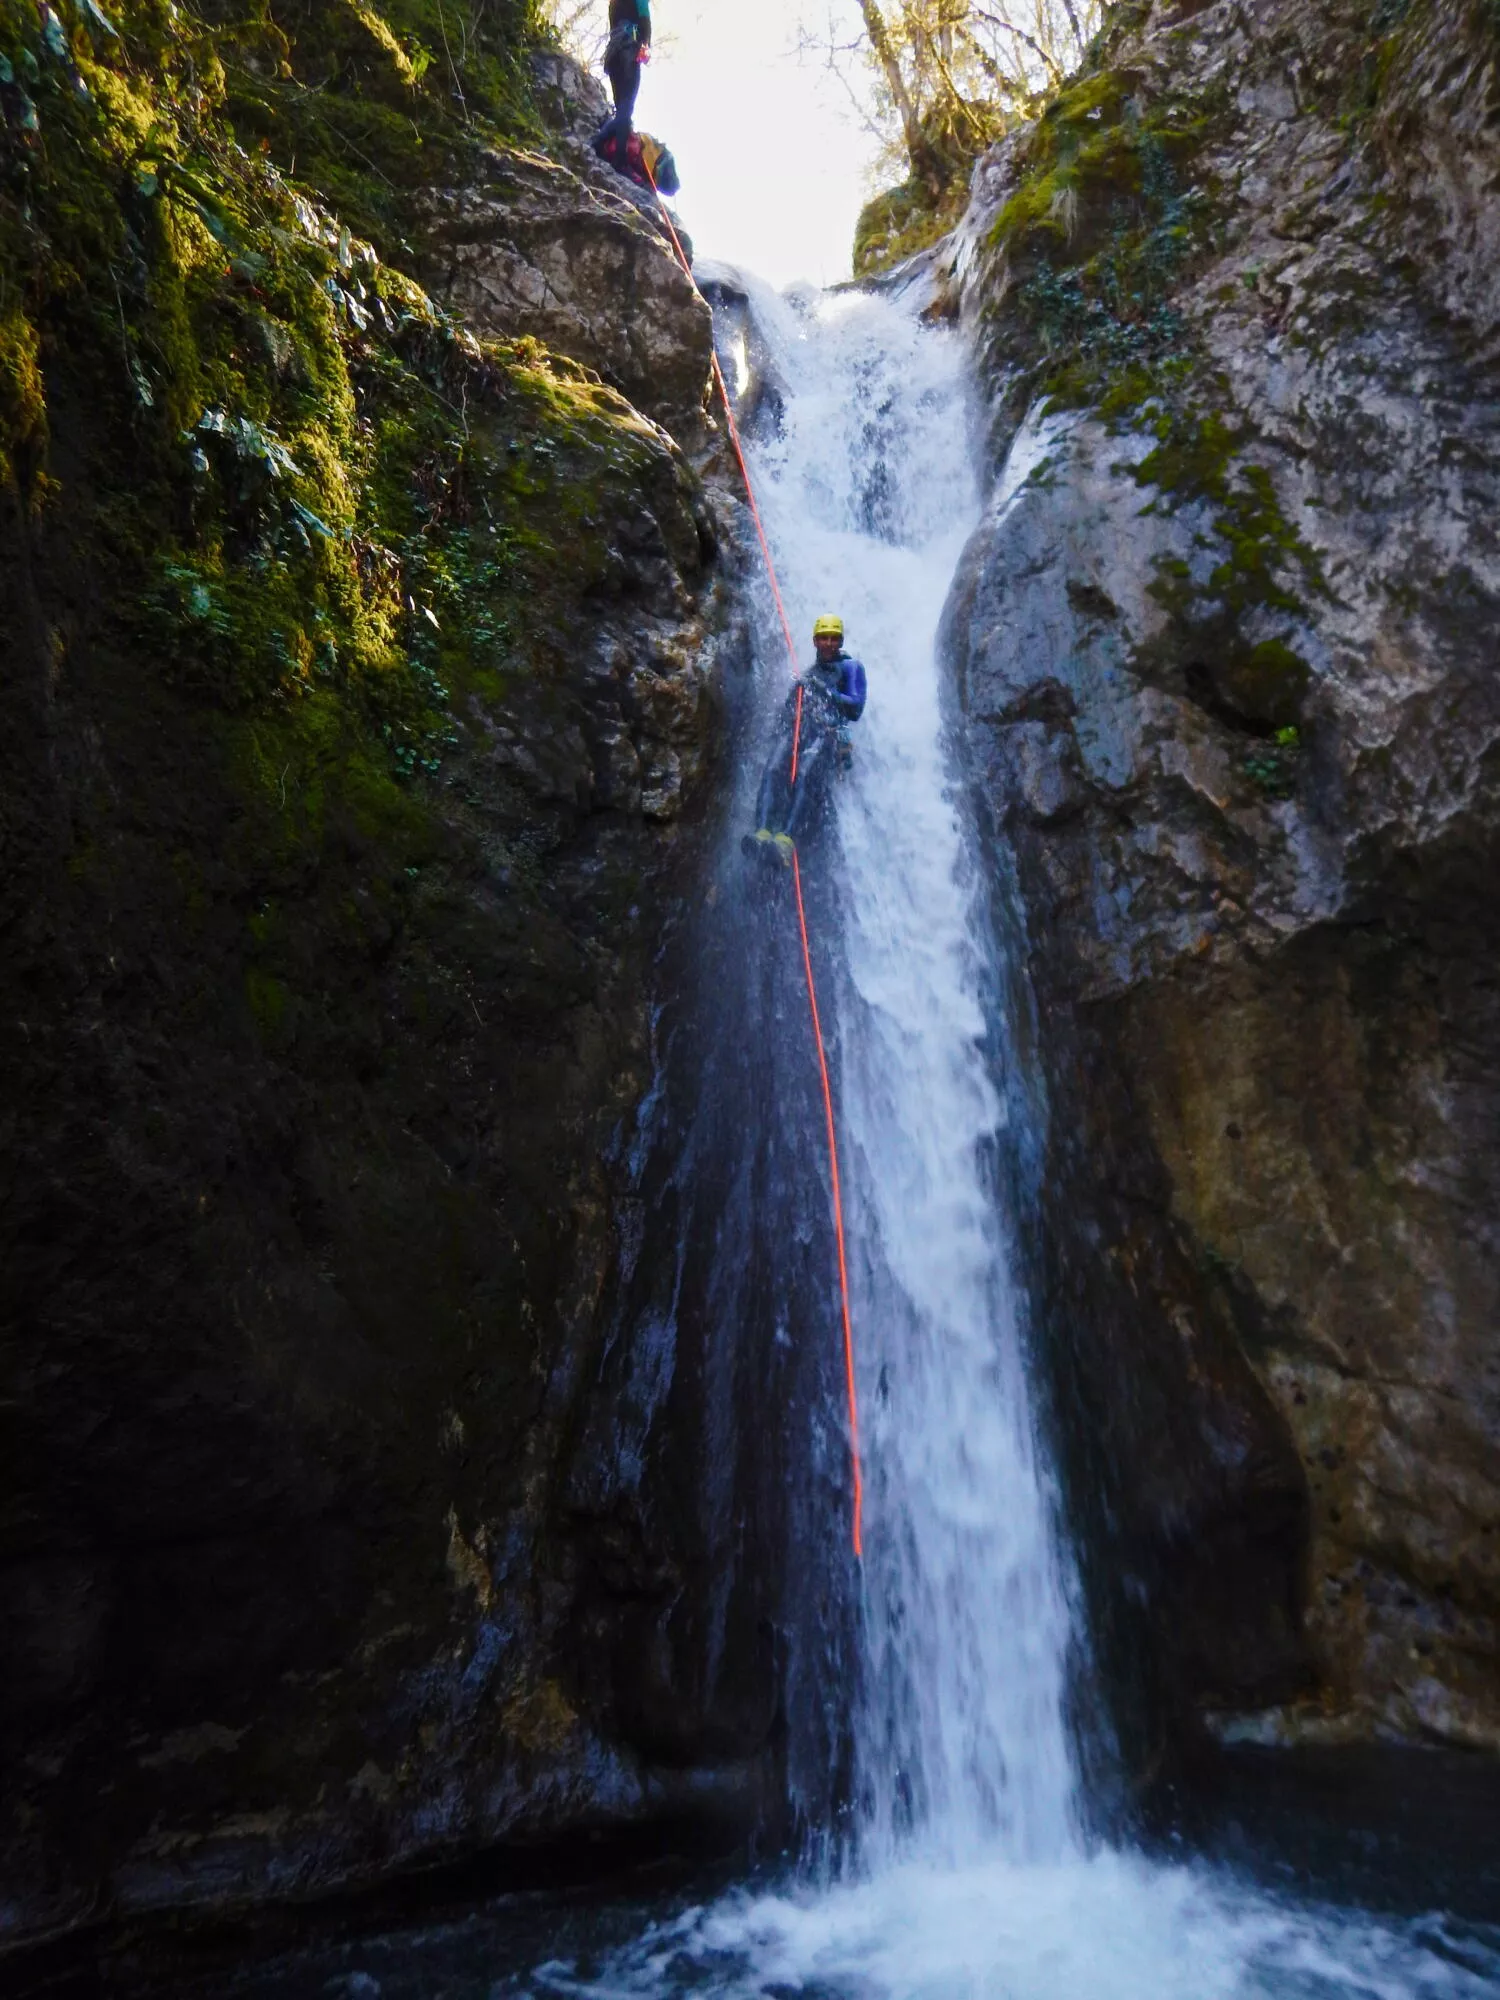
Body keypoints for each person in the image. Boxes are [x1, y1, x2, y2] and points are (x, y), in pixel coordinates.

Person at [745, 615, 868, 866]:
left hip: (829, 733)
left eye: (834, 638)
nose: (829, 643)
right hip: (801, 730)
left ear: (841, 641)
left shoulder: (851, 668)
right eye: (824, 638)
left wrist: (824, 690)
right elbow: (791, 709)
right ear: (815, 641)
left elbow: (855, 708)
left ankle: (786, 840)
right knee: (772, 768)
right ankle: (762, 832)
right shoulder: (808, 674)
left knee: (804, 773)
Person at [592, 0, 651, 164]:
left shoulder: (613, 3)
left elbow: (614, 26)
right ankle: (608, 150)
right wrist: (645, 44)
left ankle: (611, 149)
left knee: (622, 110)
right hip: (629, 50)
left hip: (613, 54)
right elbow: (645, 19)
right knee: (626, 108)